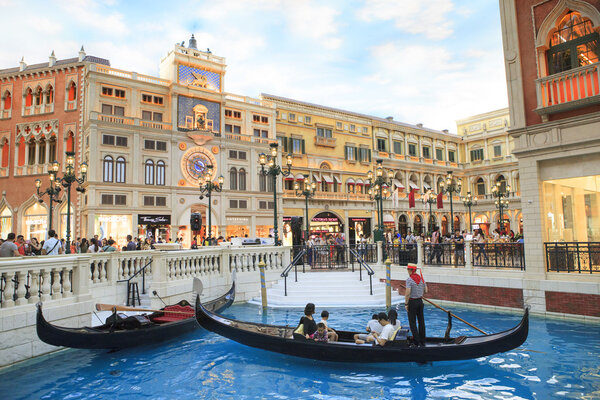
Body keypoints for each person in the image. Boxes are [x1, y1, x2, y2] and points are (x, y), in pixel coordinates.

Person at [405, 263, 427, 347]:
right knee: (421, 321)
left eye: (408, 269)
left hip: (412, 302)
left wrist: (406, 303)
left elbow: (407, 293)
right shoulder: (421, 279)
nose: (407, 271)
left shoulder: (409, 280)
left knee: (412, 322)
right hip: (420, 302)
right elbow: (426, 290)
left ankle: (416, 341)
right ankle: (422, 340)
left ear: (411, 270)